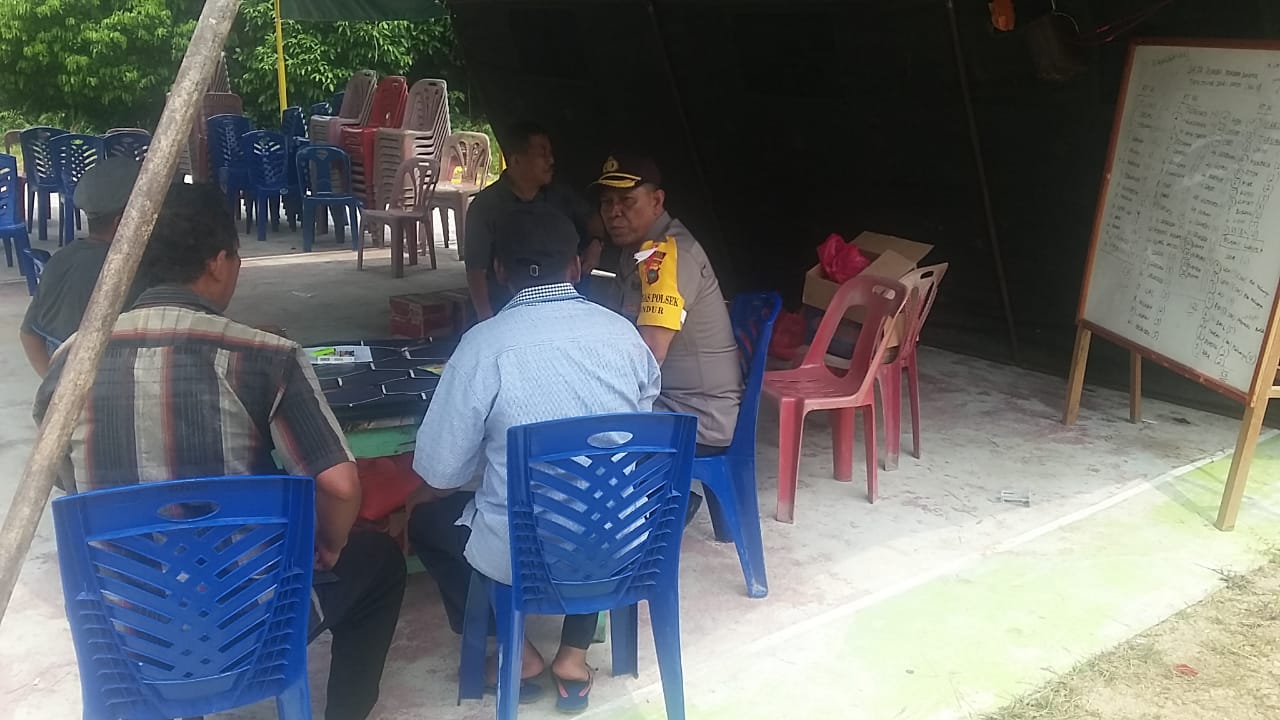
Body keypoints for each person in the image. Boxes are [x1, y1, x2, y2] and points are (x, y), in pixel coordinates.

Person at [33, 183, 406, 720]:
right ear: (216, 262)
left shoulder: (72, 359)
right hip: (247, 630)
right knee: (381, 563)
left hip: (121, 635)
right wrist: (328, 544)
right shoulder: (266, 357)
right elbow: (340, 486)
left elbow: (64, 479)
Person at [409, 203, 660, 713]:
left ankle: (518, 653)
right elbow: (639, 432)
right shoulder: (625, 335)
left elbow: (440, 472)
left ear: (500, 270)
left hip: (521, 555)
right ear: (576, 267)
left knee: (428, 522)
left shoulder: (483, 346)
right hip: (620, 541)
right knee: (595, 502)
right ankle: (573, 657)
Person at [592, 153, 744, 518]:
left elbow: (650, 355)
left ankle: (658, 508)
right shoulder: (638, 250)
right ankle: (658, 500)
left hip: (697, 413)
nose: (614, 212)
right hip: (673, 401)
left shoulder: (668, 254)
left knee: (584, 428)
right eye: (607, 202)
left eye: (627, 201)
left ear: (657, 201)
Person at [19, 157, 150, 376]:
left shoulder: (61, 260)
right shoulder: (134, 270)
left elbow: (29, 335)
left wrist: (56, 387)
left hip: (68, 384)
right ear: (122, 222)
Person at [463, 121, 605, 320]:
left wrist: (596, 244)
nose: (551, 160)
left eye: (550, 153)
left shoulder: (561, 194)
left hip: (565, 308)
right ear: (516, 160)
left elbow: (593, 219)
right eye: (542, 154)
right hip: (507, 310)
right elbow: (476, 271)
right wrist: (486, 320)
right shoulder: (485, 206)